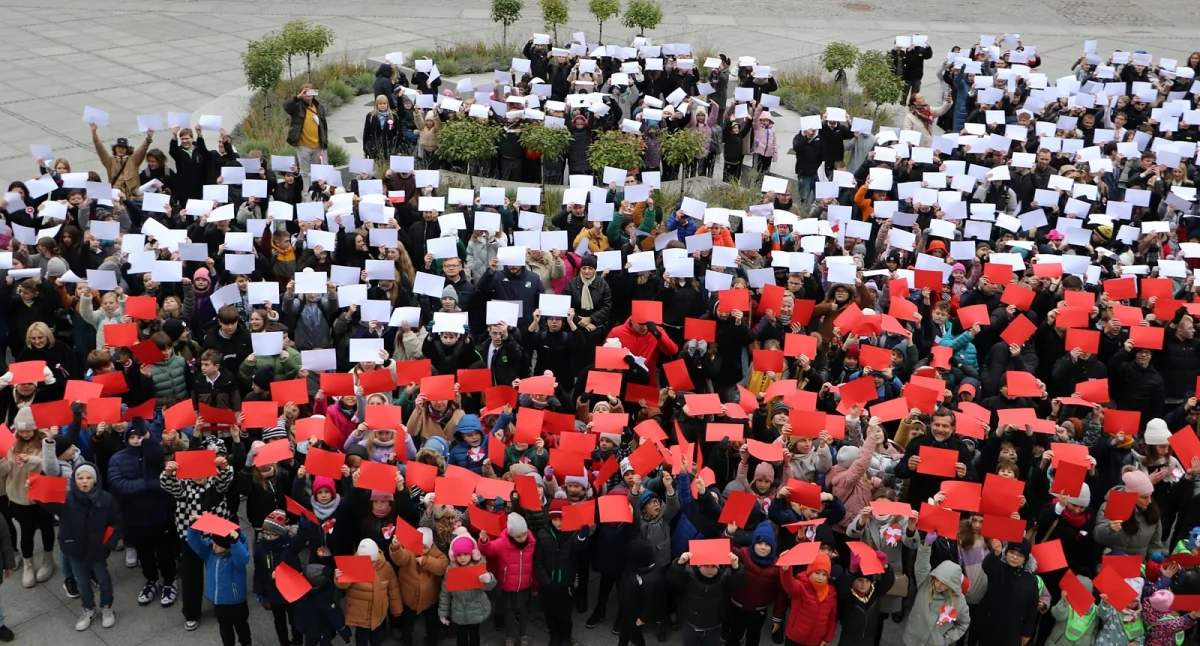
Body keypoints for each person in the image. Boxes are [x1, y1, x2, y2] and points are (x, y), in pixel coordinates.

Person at [54, 463, 122, 631]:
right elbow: (47, 504)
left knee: (103, 580)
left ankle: (107, 607)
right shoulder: (66, 498)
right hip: (75, 549)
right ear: (74, 480)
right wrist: (33, 490)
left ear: (96, 479)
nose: (85, 482)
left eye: (89, 478)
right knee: (82, 583)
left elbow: (116, 522)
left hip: (98, 549)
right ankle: (88, 608)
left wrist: (108, 543)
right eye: (80, 478)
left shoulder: (106, 498)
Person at [186, 525, 252, 646]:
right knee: (225, 630)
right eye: (214, 541)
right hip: (219, 603)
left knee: (242, 627)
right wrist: (193, 526)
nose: (214, 546)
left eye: (218, 544)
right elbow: (194, 541)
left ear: (228, 547)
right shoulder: (210, 552)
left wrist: (235, 543)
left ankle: (246, 643)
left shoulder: (236, 558)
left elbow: (243, 558)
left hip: (237, 603)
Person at [337, 539, 402, 646]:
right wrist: (338, 577)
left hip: (379, 614)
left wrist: (396, 609)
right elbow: (342, 585)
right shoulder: (352, 565)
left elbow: (393, 589)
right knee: (361, 640)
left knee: (376, 640)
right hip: (360, 616)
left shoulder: (386, 567)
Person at [438, 529, 497, 646]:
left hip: (475, 610)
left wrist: (489, 578)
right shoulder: (451, 570)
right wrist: (443, 612)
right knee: (461, 637)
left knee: (475, 636)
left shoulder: (478, 567)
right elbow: (445, 593)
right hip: (458, 611)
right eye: (459, 555)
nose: (462, 558)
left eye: (465, 554)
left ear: (473, 553)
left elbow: (489, 587)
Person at [284, 83, 329, 182]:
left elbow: (324, 126)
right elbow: (286, 106)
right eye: (305, 92)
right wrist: (298, 97)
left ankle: (316, 193)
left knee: (318, 173)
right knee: (305, 173)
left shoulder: (319, 107)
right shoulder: (297, 107)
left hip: (317, 146)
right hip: (303, 145)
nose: (308, 94)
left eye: (310, 91)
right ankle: (305, 195)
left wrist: (324, 144)